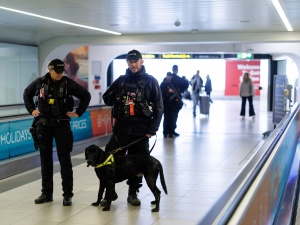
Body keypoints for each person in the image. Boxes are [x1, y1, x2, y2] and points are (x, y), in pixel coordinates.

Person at [23, 59, 91, 206]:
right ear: (50, 69)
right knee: (45, 161)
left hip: (62, 126)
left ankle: (67, 195)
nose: (60, 74)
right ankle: (46, 193)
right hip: (43, 126)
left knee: (65, 160)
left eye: (62, 72)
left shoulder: (68, 83)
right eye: (57, 72)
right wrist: (32, 110)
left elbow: (86, 95)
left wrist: (78, 112)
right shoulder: (40, 83)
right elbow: (26, 94)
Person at [102, 49, 163, 206]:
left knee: (138, 164)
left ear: (142, 61)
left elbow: (159, 107)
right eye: (130, 62)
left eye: (136, 61)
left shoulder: (151, 81)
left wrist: (152, 129)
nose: (133, 64)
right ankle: (110, 192)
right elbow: (106, 99)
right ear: (127, 63)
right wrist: (116, 96)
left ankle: (133, 193)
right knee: (109, 158)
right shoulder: (121, 80)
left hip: (141, 131)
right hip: (120, 129)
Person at [160, 72, 183, 138]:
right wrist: (168, 91)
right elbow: (161, 93)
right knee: (167, 118)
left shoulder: (173, 83)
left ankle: (172, 131)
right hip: (166, 104)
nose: (170, 77)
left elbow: (177, 92)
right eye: (168, 76)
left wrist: (177, 98)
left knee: (173, 118)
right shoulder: (163, 84)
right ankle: (166, 132)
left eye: (170, 76)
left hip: (174, 104)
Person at [169, 65, 189, 135]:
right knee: (174, 116)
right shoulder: (178, 79)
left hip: (169, 101)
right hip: (175, 100)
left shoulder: (169, 78)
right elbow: (186, 85)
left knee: (170, 116)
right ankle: (171, 131)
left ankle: (169, 131)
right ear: (177, 70)